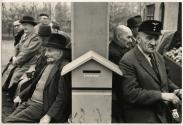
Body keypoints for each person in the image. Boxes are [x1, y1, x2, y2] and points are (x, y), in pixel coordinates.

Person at [119, 20, 182, 123]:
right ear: (138, 39)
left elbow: (165, 79)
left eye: (156, 38)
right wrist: (162, 95)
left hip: (161, 109)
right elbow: (131, 94)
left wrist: (178, 90)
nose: (154, 43)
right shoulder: (127, 60)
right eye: (149, 38)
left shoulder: (158, 56)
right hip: (142, 113)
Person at [5, 33, 71, 123]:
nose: (46, 54)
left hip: (41, 106)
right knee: (9, 118)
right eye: (46, 50)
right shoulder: (49, 63)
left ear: (60, 52)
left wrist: (49, 115)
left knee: (10, 122)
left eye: (50, 51)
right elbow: (35, 83)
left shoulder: (64, 67)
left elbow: (62, 97)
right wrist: (21, 96)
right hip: (30, 102)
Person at [2, 16, 41, 99]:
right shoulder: (24, 35)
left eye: (26, 25)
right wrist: (14, 56)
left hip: (30, 64)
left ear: (32, 25)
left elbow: (28, 52)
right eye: (23, 25)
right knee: (8, 71)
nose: (24, 27)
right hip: (20, 61)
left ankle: (14, 97)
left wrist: (16, 60)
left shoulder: (36, 38)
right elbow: (17, 46)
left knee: (16, 76)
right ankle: (7, 92)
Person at [109, 25, 133, 123]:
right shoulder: (114, 53)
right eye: (128, 37)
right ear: (119, 37)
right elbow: (122, 79)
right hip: (120, 98)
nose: (131, 40)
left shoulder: (119, 49)